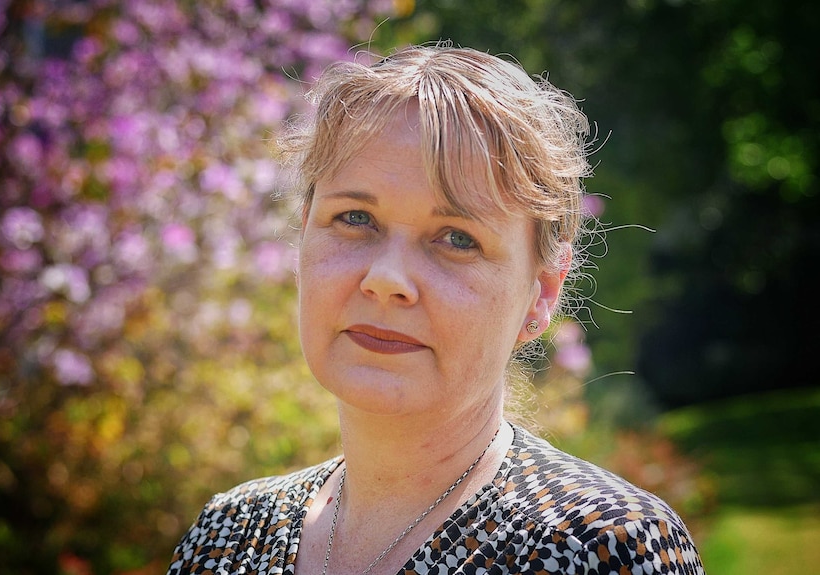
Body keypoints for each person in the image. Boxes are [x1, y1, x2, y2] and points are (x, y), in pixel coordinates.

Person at [166, 44, 705, 575]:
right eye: (355, 218)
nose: (386, 280)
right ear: (303, 232)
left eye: (456, 237)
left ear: (541, 291)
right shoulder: (224, 539)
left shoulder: (603, 549)